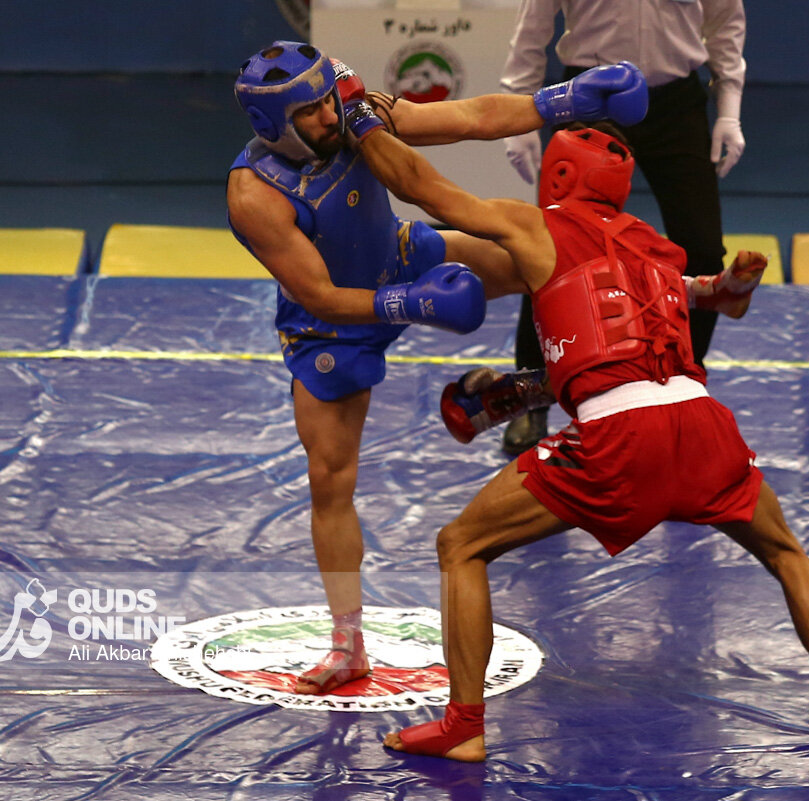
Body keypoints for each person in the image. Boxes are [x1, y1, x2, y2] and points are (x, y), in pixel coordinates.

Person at [341, 105, 809, 760]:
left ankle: (464, 727)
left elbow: (423, 186)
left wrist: (362, 120)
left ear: (558, 174)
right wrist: (732, 286)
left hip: (620, 435)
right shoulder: (653, 248)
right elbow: (714, 300)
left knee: (461, 545)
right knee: (787, 552)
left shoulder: (536, 226)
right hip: (703, 426)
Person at [226, 40, 647, 695]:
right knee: (330, 481)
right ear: (270, 125)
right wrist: (413, 304)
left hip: (403, 258)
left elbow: (470, 117)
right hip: (332, 326)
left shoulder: (355, 114)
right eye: (308, 112)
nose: (328, 116)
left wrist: (565, 100)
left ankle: (531, 388)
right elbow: (320, 294)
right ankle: (347, 646)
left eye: (326, 100)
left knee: (545, 268)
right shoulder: (255, 193)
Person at [495, 0, 749, 454]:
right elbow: (531, 31)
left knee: (704, 250)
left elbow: (725, 23)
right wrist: (521, 118)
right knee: (552, 252)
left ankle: (683, 386)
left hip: (676, 105)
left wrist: (729, 110)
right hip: (588, 98)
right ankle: (531, 396)